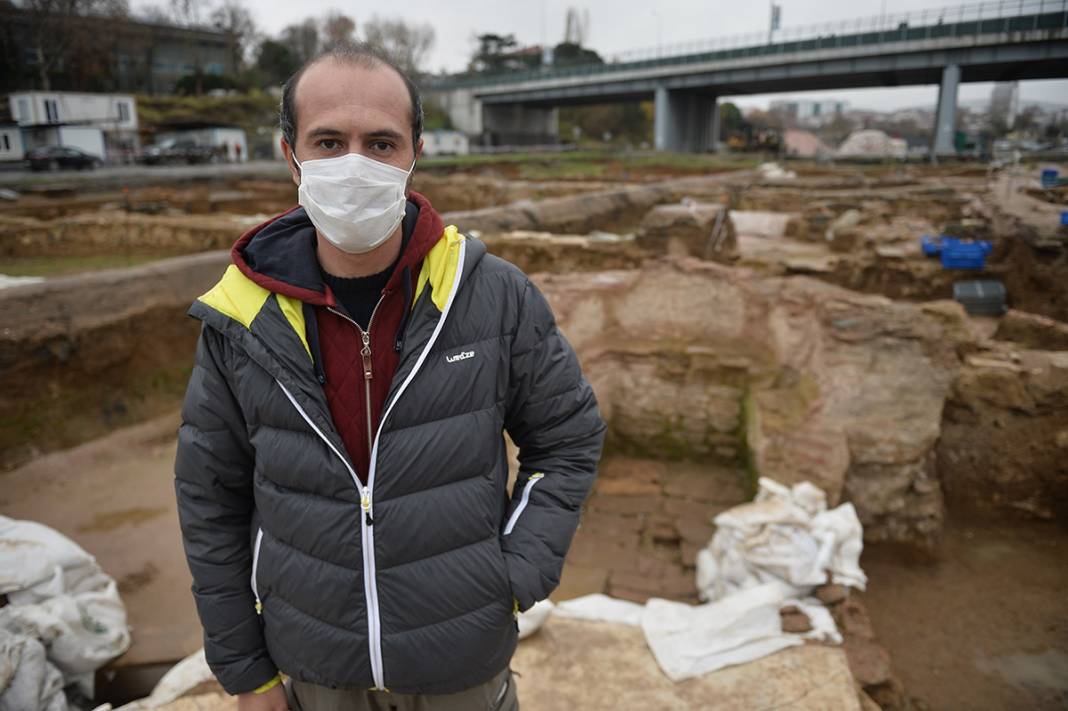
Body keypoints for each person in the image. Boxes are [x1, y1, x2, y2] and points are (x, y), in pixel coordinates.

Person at [173, 42, 605, 711]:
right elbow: (211, 503)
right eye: (328, 141)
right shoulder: (240, 322)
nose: (354, 165)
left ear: (415, 152)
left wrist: (514, 575)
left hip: (461, 663)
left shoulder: (492, 296)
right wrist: (247, 673)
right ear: (290, 154)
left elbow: (569, 439)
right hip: (315, 666)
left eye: (380, 142)